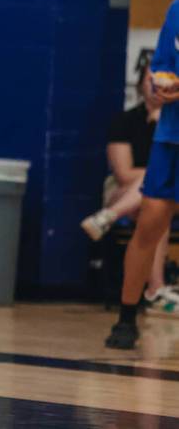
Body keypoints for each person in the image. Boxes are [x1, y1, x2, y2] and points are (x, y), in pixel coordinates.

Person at [81, 51, 178, 314]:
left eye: (164, 81)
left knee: (157, 198)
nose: (158, 87)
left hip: (166, 191)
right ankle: (155, 291)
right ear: (141, 84)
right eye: (151, 80)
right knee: (155, 202)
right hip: (124, 192)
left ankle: (107, 217)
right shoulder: (125, 122)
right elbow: (123, 173)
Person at [107, 0, 179, 349]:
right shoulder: (177, 9)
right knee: (149, 225)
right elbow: (162, 66)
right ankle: (126, 317)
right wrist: (163, 84)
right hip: (171, 138)